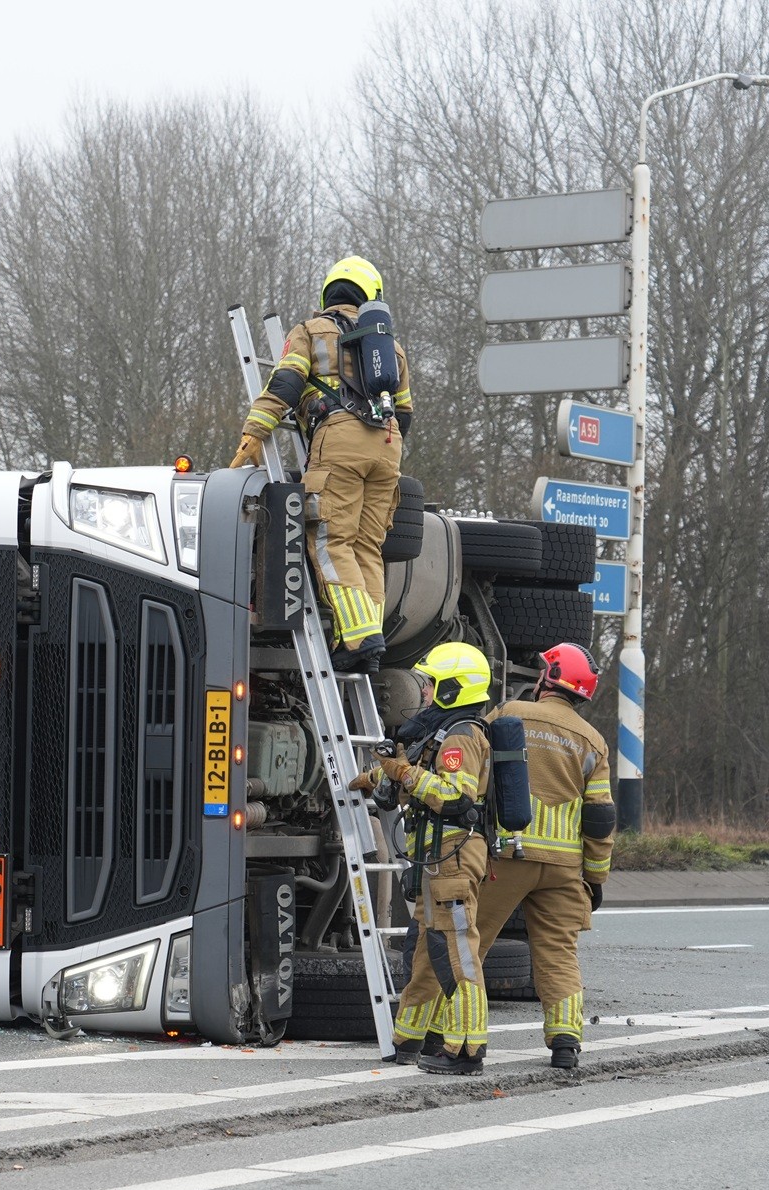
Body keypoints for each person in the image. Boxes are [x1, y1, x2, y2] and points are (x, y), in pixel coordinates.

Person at [230, 256, 414, 673]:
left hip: (340, 442)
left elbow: (287, 382)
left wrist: (255, 431)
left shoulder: (311, 332)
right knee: (368, 545)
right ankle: (368, 635)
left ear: (329, 293)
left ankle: (358, 638)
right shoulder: (393, 349)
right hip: (388, 447)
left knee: (331, 540)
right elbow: (404, 414)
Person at [472, 642, 616, 1069]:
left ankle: (465, 1038)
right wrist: (596, 878)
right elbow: (600, 817)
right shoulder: (593, 741)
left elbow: (473, 774)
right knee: (558, 953)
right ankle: (566, 1041)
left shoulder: (507, 713)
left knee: (470, 943)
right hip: (564, 869)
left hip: (505, 857)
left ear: (548, 677)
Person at [363, 641, 493, 1074]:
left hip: (452, 855)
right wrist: (374, 776)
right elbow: (408, 779)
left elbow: (454, 796)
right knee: (423, 950)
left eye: (433, 685)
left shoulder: (462, 735)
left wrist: (404, 773)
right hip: (433, 858)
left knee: (455, 950)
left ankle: (467, 1049)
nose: (424, 693)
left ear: (455, 689)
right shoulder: (439, 733)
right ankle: (410, 1040)